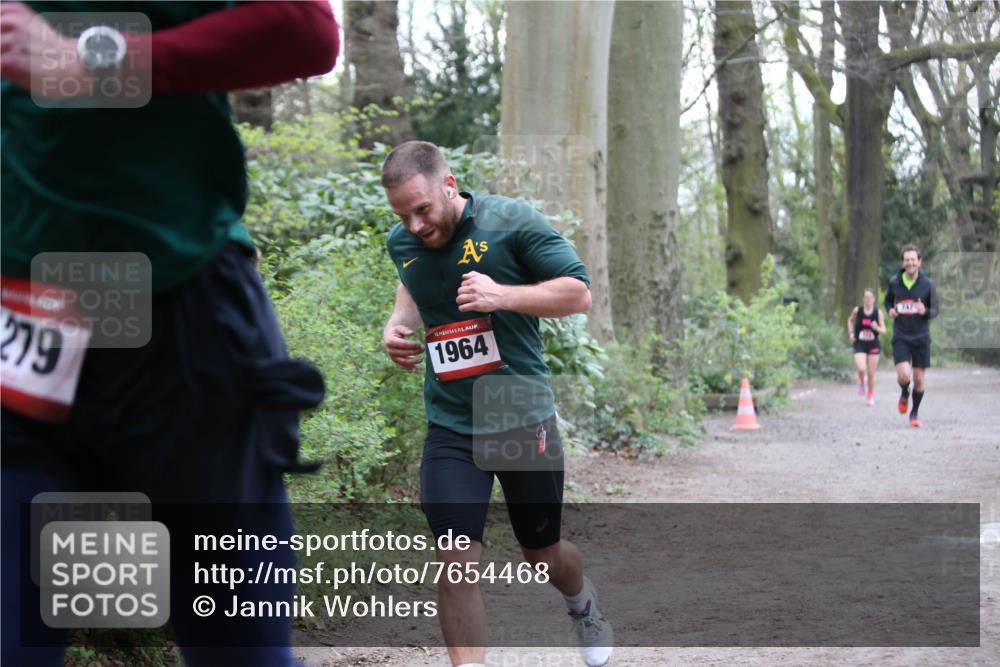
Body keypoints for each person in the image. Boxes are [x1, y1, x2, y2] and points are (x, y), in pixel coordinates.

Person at [1, 2, 338, 665]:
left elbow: (305, 29)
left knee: (238, 652)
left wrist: (93, 62)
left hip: (182, 321)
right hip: (27, 322)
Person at [381, 141, 614, 667]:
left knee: (541, 555)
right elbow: (412, 279)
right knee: (454, 560)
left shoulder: (511, 222)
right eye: (403, 215)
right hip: (450, 421)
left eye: (423, 210)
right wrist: (395, 326)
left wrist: (502, 295)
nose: (415, 226)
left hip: (514, 408)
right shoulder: (403, 241)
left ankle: (582, 605)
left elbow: (578, 293)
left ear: (450, 184)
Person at [884, 243, 939, 427]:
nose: (910, 263)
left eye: (913, 260)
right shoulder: (894, 282)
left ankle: (914, 414)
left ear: (919, 262)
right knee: (904, 376)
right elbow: (888, 302)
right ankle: (904, 392)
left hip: (921, 337)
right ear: (903, 262)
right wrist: (890, 310)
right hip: (901, 336)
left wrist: (925, 311)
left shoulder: (928, 284)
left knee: (919, 379)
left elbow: (936, 310)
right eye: (907, 260)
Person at [847, 288, 887, 406]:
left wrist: (877, 328)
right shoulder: (857, 310)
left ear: (874, 299)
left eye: (870, 297)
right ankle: (861, 381)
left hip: (873, 344)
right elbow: (850, 320)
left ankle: (870, 395)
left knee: (871, 373)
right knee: (861, 368)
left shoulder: (877, 312)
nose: (867, 299)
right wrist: (851, 333)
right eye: (865, 297)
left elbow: (884, 330)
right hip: (860, 343)